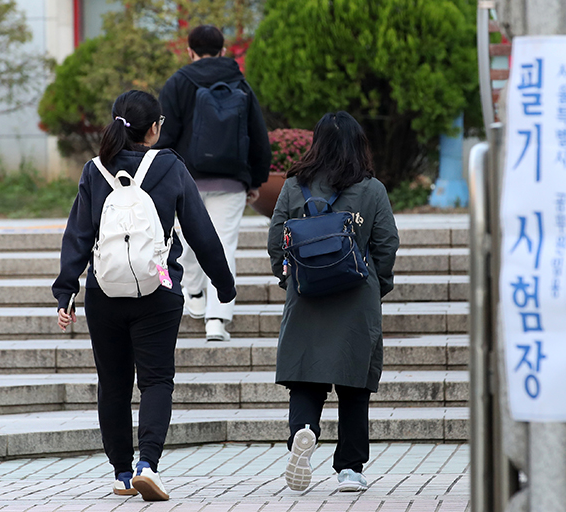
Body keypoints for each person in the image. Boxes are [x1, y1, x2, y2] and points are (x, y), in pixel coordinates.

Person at [52, 90, 236, 501]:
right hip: (159, 289)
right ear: (154, 127)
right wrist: (223, 285)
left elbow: (78, 236)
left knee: (113, 384)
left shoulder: (94, 170)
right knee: (156, 381)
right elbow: (201, 232)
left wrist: (66, 292)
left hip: (104, 292)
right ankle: (147, 464)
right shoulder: (169, 166)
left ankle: (120, 473)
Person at [267, 112, 399, 493]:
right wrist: (379, 284)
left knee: (305, 379)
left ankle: (303, 433)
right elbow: (387, 242)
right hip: (356, 297)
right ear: (360, 144)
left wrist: (287, 278)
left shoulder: (295, 185)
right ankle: (350, 469)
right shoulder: (372, 189)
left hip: (307, 295)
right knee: (354, 385)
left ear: (317, 143)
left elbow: (277, 239)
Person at [155, 24, 271, 342]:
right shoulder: (240, 82)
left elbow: (164, 136)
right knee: (224, 245)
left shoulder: (178, 83)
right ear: (223, 50)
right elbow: (258, 135)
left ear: (190, 51)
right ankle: (217, 319)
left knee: (191, 239)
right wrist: (256, 178)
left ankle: (193, 294)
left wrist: (158, 177)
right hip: (232, 180)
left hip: (187, 180)